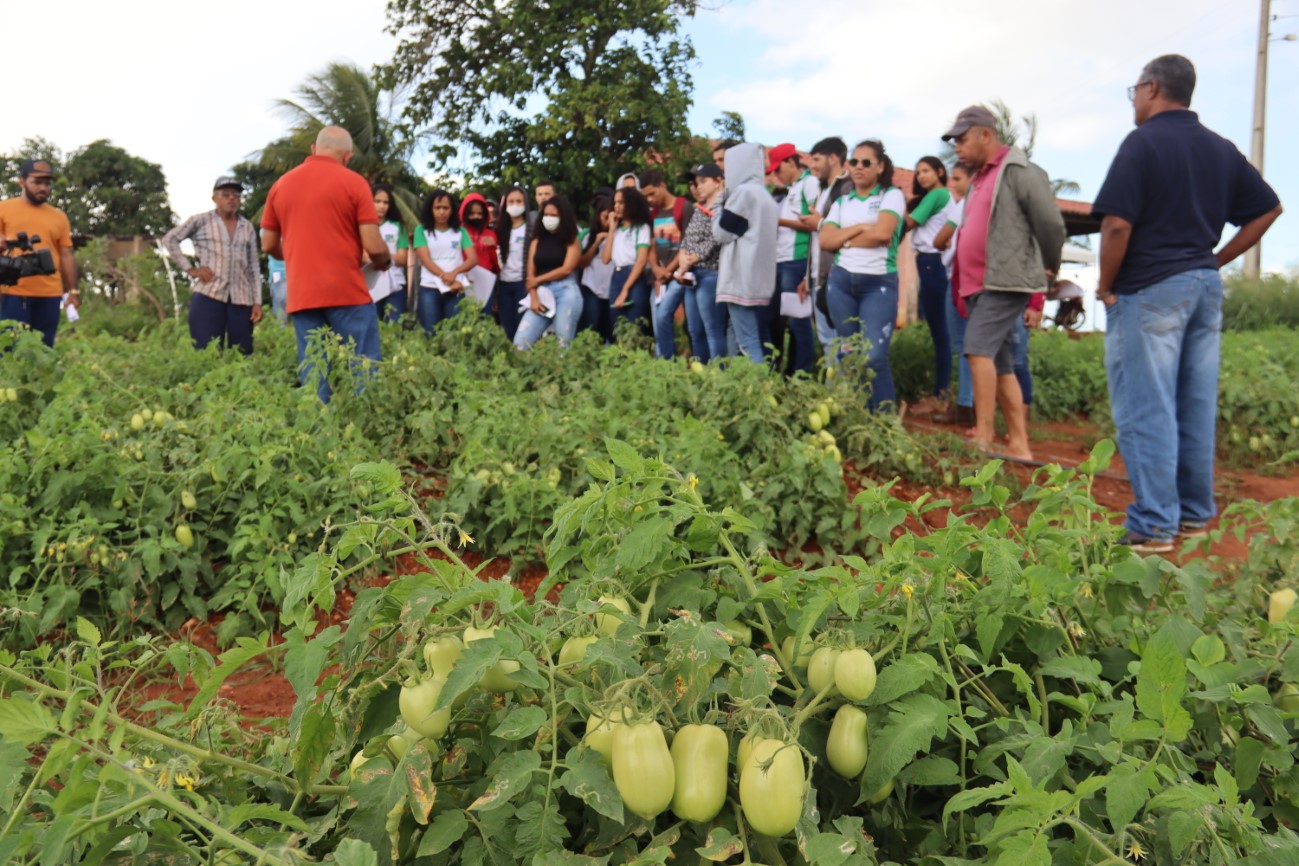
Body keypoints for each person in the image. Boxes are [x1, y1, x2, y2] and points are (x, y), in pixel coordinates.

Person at [1093, 54, 1282, 552]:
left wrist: (1106, 286)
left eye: (1134, 89)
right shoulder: (1219, 148)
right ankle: (1194, 517)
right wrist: (1215, 260)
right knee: (1194, 405)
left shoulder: (1143, 143)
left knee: (1145, 406)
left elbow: (1116, 224)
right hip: (1201, 287)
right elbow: (1269, 208)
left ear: (1152, 88)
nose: (1133, 98)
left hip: (1150, 289)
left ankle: (1154, 524)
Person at [944, 105, 1064, 458]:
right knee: (1001, 363)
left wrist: (1048, 268)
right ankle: (1019, 443)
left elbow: (1051, 224)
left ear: (985, 134)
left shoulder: (1019, 171)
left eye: (962, 139)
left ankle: (983, 436)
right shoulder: (980, 177)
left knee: (977, 349)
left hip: (1003, 281)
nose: (957, 147)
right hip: (980, 284)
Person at [260, 126, 392, 403]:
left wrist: (298, 257)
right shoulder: (354, 183)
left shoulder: (280, 185)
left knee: (314, 367)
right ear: (347, 156)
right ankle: (370, 427)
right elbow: (373, 244)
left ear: (313, 149)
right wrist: (383, 261)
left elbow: (269, 245)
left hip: (302, 293)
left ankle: (318, 430)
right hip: (346, 292)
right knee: (364, 364)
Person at [819, 140, 906, 409]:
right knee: (848, 355)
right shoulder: (842, 201)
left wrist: (842, 238)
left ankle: (884, 422)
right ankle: (859, 417)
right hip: (840, 283)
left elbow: (882, 234)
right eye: (853, 162)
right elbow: (825, 240)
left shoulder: (891, 196)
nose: (858, 167)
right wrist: (859, 228)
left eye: (866, 162)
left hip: (878, 284)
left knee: (874, 357)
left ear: (880, 167)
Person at [162, 177, 262, 354]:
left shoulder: (246, 226)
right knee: (206, 351)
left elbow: (253, 266)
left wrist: (257, 302)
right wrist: (190, 269)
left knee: (242, 353)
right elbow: (170, 239)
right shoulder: (201, 221)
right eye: (225, 194)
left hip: (242, 298)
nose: (231, 198)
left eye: (236, 195)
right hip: (209, 293)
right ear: (215, 198)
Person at [0, 159, 78, 347]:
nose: (43, 187)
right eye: (37, 182)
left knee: (43, 350)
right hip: (12, 292)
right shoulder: (4, 209)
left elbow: (66, 254)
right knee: (10, 350)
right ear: (22, 182)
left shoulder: (58, 216)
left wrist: (73, 291)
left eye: (47, 183)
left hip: (49, 293)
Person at [712, 142, 777, 363]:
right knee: (742, 335)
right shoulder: (764, 196)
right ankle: (739, 382)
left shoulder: (743, 194)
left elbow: (721, 233)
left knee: (748, 343)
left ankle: (757, 390)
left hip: (740, 279)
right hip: (758, 279)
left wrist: (717, 205)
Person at [905, 157, 953, 403]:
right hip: (930, 262)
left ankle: (941, 393)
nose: (921, 176)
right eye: (918, 172)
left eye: (926, 170)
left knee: (940, 332)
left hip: (931, 262)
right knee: (940, 330)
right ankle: (942, 390)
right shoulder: (936, 197)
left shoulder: (937, 195)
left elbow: (907, 223)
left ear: (940, 172)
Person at [769, 143, 820, 374]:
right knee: (787, 322)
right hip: (783, 260)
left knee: (799, 323)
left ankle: (802, 375)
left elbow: (812, 222)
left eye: (778, 169)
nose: (776, 176)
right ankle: (790, 373)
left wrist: (776, 221)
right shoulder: (793, 188)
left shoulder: (809, 184)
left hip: (797, 260)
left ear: (791, 162)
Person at [931, 163, 974, 426]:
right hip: (971, 279)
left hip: (959, 280)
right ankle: (970, 405)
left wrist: (947, 242)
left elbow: (939, 239)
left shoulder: (963, 205)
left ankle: (965, 406)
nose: (953, 184)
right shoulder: (978, 204)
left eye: (958, 179)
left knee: (963, 346)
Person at [514, 194, 583, 349]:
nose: (549, 218)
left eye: (554, 215)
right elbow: (530, 273)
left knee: (562, 345)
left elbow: (567, 269)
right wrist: (533, 298)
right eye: (546, 215)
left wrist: (538, 280)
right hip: (541, 293)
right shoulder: (537, 240)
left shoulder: (571, 239)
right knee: (520, 343)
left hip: (566, 291)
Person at [673, 163, 727, 362]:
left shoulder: (722, 208)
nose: (699, 186)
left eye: (704, 181)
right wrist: (683, 261)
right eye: (697, 183)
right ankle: (701, 373)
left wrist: (690, 259)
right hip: (692, 275)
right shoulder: (699, 209)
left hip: (711, 274)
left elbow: (716, 238)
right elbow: (687, 240)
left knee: (713, 330)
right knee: (695, 330)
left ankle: (717, 376)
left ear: (718, 182)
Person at [806, 137, 852, 357]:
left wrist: (819, 223)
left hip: (836, 274)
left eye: (816, 159)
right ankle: (833, 389)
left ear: (833, 159)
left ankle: (842, 390)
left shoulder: (847, 188)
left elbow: (849, 228)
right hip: (818, 274)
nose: (812, 166)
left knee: (841, 342)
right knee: (827, 341)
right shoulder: (823, 189)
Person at [641, 168, 694, 360]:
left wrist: (667, 271)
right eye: (645, 196)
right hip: (660, 276)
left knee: (675, 319)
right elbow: (652, 244)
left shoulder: (684, 207)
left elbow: (688, 244)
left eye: (652, 194)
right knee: (659, 319)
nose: (649, 200)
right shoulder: (653, 213)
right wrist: (656, 268)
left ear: (662, 186)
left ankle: (679, 361)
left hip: (680, 275)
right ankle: (665, 360)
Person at [413, 189, 478, 334]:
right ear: (430, 209)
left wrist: (454, 273)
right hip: (430, 289)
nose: (441, 212)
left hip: (455, 289)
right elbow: (425, 259)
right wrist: (445, 276)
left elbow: (473, 258)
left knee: (454, 334)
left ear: (452, 210)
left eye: (445, 208)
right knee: (430, 333)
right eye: (437, 208)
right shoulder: (421, 230)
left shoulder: (460, 231)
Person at [603, 186, 653, 336]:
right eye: (615, 203)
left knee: (634, 327)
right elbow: (605, 258)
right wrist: (611, 229)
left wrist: (625, 290)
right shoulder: (617, 231)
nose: (617, 206)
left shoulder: (641, 228)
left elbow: (641, 261)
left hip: (634, 276)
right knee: (617, 326)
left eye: (621, 203)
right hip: (616, 275)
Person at [577, 196, 615, 343]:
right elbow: (580, 263)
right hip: (591, 288)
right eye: (605, 217)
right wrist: (595, 244)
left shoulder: (620, 234)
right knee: (591, 327)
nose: (608, 222)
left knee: (611, 329)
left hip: (612, 289)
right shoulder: (587, 235)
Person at [494, 187, 530, 340]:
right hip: (503, 285)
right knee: (507, 328)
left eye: (519, 201)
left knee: (524, 329)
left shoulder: (531, 228)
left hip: (523, 284)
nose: (515, 205)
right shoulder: (498, 230)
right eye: (511, 201)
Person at [371, 183, 410, 322]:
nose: (382, 206)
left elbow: (402, 259)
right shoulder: (362, 226)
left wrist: (381, 256)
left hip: (395, 286)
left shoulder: (397, 227)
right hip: (370, 285)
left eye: (386, 202)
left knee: (394, 331)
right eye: (377, 201)